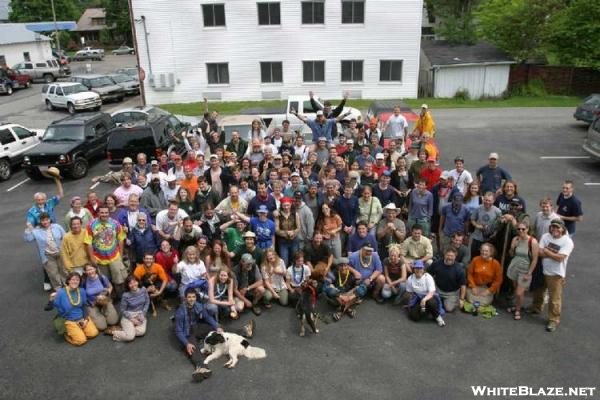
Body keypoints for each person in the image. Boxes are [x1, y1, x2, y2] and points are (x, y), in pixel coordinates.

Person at [528, 219, 574, 332]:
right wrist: (553, 254)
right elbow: (539, 252)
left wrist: (547, 252)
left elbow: (560, 258)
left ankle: (554, 320)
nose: (554, 229)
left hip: (556, 274)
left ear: (563, 229)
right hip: (542, 269)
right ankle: (536, 307)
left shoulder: (567, 242)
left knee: (554, 298)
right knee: (538, 290)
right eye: (553, 227)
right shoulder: (545, 236)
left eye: (557, 227)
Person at [84, 205, 128, 295]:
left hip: (114, 256)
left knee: (119, 278)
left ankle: (121, 296)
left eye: (106, 212)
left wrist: (120, 254)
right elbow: (88, 243)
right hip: (99, 259)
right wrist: (92, 259)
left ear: (109, 213)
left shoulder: (115, 223)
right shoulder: (91, 225)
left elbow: (121, 239)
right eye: (102, 212)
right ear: (98, 213)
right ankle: (111, 297)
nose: (104, 214)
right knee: (105, 279)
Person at [50, 272, 99, 345]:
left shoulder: (81, 291)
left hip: (81, 318)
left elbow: (84, 306)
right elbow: (48, 308)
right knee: (81, 340)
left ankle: (78, 330)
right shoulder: (61, 292)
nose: (75, 281)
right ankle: (66, 333)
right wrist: (51, 299)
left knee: (93, 333)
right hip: (69, 320)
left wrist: (85, 319)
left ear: (79, 282)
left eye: (77, 280)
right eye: (73, 279)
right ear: (68, 281)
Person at [24, 212, 66, 292]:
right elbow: (28, 239)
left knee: (64, 271)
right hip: (48, 255)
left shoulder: (57, 226)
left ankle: (67, 286)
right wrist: (29, 229)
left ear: (50, 219)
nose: (45, 222)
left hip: (60, 252)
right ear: (40, 221)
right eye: (43, 220)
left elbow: (65, 237)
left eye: (47, 220)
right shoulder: (37, 230)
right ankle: (59, 290)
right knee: (53, 274)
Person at [506, 222, 539, 320]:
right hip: (514, 267)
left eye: (523, 229)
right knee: (516, 290)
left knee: (519, 293)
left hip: (525, 269)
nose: (521, 231)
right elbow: (511, 254)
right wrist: (512, 247)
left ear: (527, 229)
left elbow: (535, 259)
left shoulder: (532, 241)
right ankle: (516, 306)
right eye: (519, 229)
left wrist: (529, 273)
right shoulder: (515, 239)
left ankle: (517, 310)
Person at [107, 275, 150, 342]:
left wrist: (143, 314)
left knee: (141, 332)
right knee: (130, 337)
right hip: (129, 315)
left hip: (140, 314)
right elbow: (122, 309)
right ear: (128, 285)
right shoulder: (126, 295)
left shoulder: (143, 289)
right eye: (130, 283)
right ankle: (114, 332)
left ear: (138, 282)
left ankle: (126, 330)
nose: (133, 285)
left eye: (134, 282)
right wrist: (132, 319)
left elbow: (147, 302)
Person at [405, 261, 445, 327]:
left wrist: (424, 300)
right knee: (414, 317)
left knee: (431, 303)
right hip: (417, 297)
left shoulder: (428, 277)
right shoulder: (410, 278)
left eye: (420, 268)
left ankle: (437, 316)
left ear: (423, 269)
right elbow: (409, 292)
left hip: (429, 297)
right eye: (416, 268)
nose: (418, 270)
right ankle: (426, 311)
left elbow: (431, 292)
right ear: (413, 269)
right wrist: (410, 303)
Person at [81, 263, 118, 332]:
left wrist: (106, 293)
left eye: (91, 269)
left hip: (104, 301)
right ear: (85, 272)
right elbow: (81, 293)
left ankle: (104, 311)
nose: (90, 271)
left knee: (113, 321)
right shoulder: (84, 281)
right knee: (102, 327)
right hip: (92, 304)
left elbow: (110, 287)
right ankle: (98, 314)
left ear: (95, 269)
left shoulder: (102, 277)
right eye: (87, 270)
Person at [428, 248, 466, 313]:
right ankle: (441, 300)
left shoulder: (459, 269)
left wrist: (462, 299)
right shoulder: (436, 263)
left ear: (455, 256)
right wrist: (432, 285)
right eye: (448, 255)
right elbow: (429, 274)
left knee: (449, 309)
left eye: (452, 256)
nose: (450, 258)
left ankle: (452, 299)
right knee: (430, 303)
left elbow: (463, 285)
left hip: (452, 293)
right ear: (444, 255)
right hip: (438, 289)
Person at [470, 192, 502, 258]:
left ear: (493, 201)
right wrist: (477, 226)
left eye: (489, 200)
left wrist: (495, 233)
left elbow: (500, 224)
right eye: (485, 200)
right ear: (483, 199)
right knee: (474, 257)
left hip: (489, 239)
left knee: (486, 258)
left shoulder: (497, 211)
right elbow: (472, 219)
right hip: (477, 237)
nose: (487, 202)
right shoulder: (478, 208)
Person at [275, 197, 301, 265]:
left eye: (288, 205)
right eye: (284, 205)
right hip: (283, 241)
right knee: (284, 260)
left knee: (294, 259)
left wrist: (293, 232)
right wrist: (286, 233)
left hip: (294, 240)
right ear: (281, 205)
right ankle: (285, 274)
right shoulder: (278, 215)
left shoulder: (295, 214)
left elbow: (298, 228)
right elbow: (276, 230)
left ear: (291, 205)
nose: (286, 207)